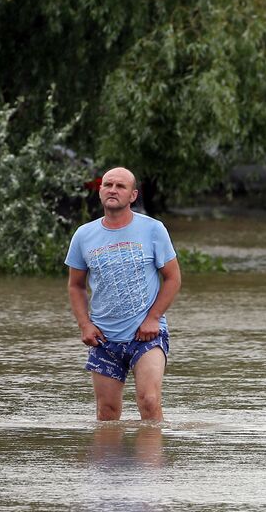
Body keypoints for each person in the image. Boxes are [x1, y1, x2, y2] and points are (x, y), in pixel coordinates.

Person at [66, 167, 182, 422]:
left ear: (133, 195)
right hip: (104, 339)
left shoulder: (154, 229)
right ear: (100, 191)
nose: (113, 190)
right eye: (108, 185)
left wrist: (153, 318)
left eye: (120, 186)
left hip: (146, 335)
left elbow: (173, 278)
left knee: (149, 401)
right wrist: (85, 324)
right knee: (107, 412)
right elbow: (76, 285)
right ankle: (110, 463)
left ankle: (151, 462)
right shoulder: (84, 235)